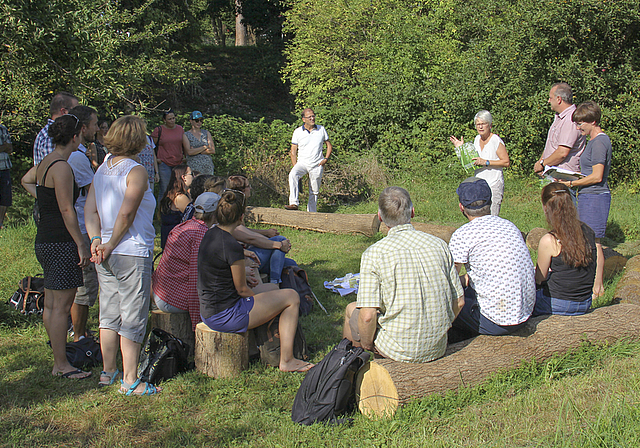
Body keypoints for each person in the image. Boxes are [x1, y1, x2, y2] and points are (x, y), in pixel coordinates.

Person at [343, 187, 464, 363]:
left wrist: (368, 344)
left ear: (380, 216)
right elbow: (459, 301)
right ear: (413, 212)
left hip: (396, 349)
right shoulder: (440, 245)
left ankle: (349, 367)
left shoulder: (374, 253)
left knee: (352, 310)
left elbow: (367, 316)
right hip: (437, 346)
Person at [198, 189, 313, 372]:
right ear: (241, 218)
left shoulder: (210, 234)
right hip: (226, 314)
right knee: (291, 297)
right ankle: (287, 360)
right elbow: (243, 290)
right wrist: (255, 301)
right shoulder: (232, 246)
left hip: (209, 309)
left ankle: (278, 345)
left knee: (273, 287)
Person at [85, 115, 158, 395]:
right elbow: (126, 213)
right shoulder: (135, 170)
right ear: (138, 140)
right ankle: (130, 380)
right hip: (129, 251)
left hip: (104, 251)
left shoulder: (103, 168)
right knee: (132, 315)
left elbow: (90, 209)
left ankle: (108, 371)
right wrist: (111, 242)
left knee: (109, 312)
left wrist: (96, 239)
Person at [21, 114, 92, 379]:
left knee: (51, 305)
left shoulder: (45, 163)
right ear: (74, 137)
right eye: (81, 136)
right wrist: (81, 244)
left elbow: (26, 181)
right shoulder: (61, 167)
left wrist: (44, 201)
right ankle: (61, 364)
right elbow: (67, 209)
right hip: (61, 242)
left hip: (45, 239)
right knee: (61, 306)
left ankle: (58, 359)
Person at [448, 177, 536, 337]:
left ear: (461, 207)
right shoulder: (510, 226)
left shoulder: (463, 234)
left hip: (496, 320)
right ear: (490, 202)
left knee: (444, 303)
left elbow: (448, 279)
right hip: (525, 311)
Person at [559, 101, 612, 298]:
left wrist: (571, 185)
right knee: (588, 240)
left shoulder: (599, 142)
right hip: (588, 195)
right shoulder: (593, 141)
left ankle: (597, 288)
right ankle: (592, 284)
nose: (578, 127)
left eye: (581, 123)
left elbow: (597, 176)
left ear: (593, 121)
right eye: (577, 123)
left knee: (594, 242)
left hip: (596, 197)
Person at [534, 183, 596, 316]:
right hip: (585, 302)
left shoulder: (549, 240)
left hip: (557, 303)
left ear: (546, 208)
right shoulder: (588, 231)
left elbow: (540, 278)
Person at [66, 105, 100, 341]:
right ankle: (79, 335)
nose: (98, 129)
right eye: (96, 125)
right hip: (81, 225)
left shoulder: (68, 155)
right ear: (84, 128)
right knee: (83, 287)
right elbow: (93, 191)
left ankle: (79, 330)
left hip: (77, 223)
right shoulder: (77, 157)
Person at [227, 175, 297, 284]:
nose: (250, 188)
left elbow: (245, 231)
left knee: (291, 264)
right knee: (279, 239)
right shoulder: (232, 210)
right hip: (243, 258)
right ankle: (275, 283)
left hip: (248, 252)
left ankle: (280, 283)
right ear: (241, 190)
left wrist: (267, 234)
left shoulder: (238, 207)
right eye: (248, 186)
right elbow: (250, 238)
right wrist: (276, 242)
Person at [449, 110, 510, 216]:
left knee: (492, 216)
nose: (480, 127)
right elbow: (471, 162)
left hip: (494, 183)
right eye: (478, 124)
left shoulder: (495, 140)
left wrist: (486, 162)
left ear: (490, 125)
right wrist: (461, 149)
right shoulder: (477, 139)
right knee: (479, 216)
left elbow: (506, 162)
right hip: (479, 184)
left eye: (483, 124)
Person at [533, 82, 586, 177]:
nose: (549, 101)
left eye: (550, 98)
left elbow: (562, 152)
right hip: (553, 175)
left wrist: (542, 164)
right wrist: (541, 162)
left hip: (564, 177)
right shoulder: (559, 118)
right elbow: (551, 146)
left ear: (559, 99)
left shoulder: (570, 119)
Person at [285, 108, 332, 212]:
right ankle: (293, 203)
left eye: (313, 116)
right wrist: (295, 167)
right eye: (309, 117)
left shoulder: (321, 129)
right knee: (293, 175)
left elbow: (329, 145)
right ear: (303, 119)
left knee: (314, 190)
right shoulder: (297, 132)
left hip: (317, 164)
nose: (312, 118)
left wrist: (326, 159)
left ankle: (311, 213)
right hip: (302, 163)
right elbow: (293, 151)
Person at [150, 109, 190, 200]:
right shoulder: (159, 130)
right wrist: (156, 159)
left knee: (179, 188)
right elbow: (151, 146)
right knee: (165, 189)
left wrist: (185, 157)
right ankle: (161, 212)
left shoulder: (180, 129)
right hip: (164, 163)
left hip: (178, 162)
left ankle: (177, 210)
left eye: (173, 118)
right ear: (164, 120)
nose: (172, 121)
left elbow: (183, 143)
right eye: (169, 119)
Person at [33, 92, 79, 165]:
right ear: (64, 111)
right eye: (75, 110)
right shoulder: (50, 135)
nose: (78, 114)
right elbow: (52, 166)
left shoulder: (55, 132)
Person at [159, 164, 193, 248]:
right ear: (184, 177)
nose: (194, 176)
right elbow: (194, 217)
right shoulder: (180, 198)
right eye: (191, 174)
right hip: (176, 242)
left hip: (169, 239)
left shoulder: (172, 194)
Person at [184, 111, 215, 175]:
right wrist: (205, 147)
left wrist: (196, 150)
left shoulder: (206, 133)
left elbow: (212, 150)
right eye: (196, 120)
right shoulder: (186, 135)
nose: (199, 122)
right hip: (194, 168)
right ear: (191, 121)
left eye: (201, 120)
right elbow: (189, 152)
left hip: (207, 167)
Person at [0, 123, 12, 229]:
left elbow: (10, 148)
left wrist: (4, 147)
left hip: (5, 166)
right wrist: (4, 146)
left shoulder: (3, 128)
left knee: (5, 197)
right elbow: (6, 146)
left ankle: (0, 223)